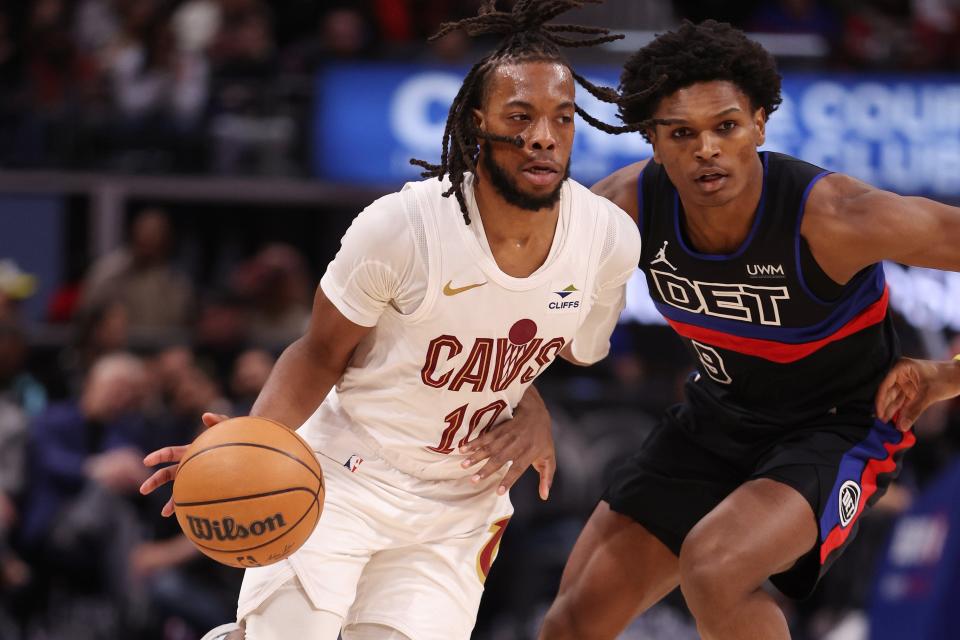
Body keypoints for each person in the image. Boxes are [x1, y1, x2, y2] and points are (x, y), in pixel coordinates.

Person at [140, 2, 641, 639]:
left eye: (562, 119)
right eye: (521, 116)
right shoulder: (402, 227)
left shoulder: (606, 240)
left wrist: (529, 404)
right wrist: (242, 447)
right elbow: (319, 352)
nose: (544, 135)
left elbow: (574, 349)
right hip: (344, 471)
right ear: (478, 124)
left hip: (456, 503)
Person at [540, 20, 960, 640]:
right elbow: (516, 301)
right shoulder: (622, 207)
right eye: (682, 133)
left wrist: (946, 377)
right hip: (717, 418)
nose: (706, 149)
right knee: (573, 622)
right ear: (653, 141)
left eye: (726, 127)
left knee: (714, 568)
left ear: (760, 125)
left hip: (838, 424)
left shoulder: (835, 217)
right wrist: (522, 396)